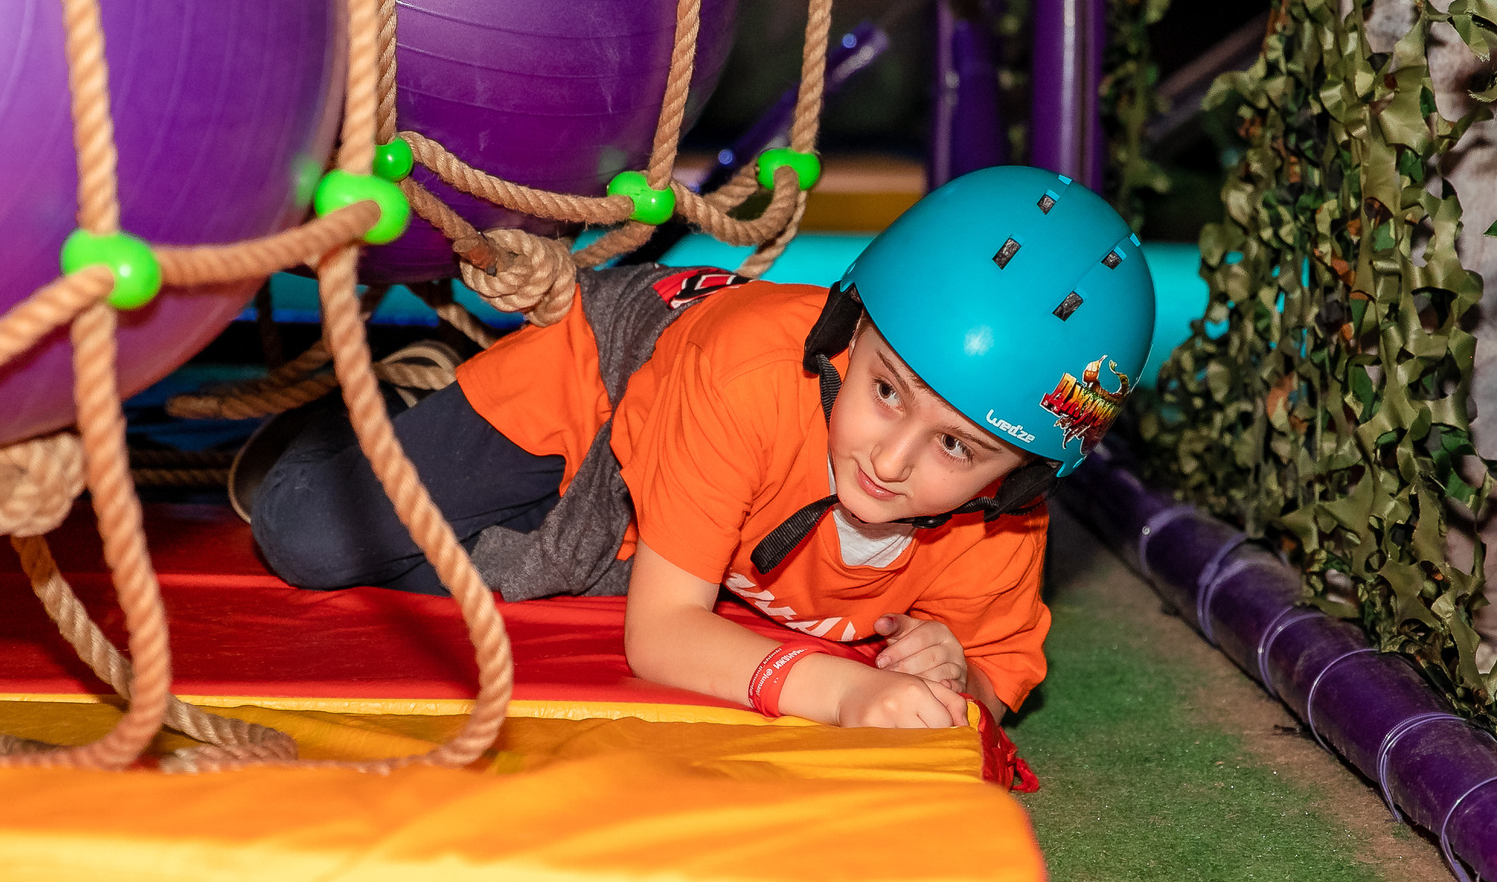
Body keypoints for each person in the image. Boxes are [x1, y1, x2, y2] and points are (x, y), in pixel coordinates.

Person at [242, 165, 1155, 730]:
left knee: (535, 561)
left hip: (677, 496)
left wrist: (955, 676)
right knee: (311, 534)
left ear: (1021, 480)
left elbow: (991, 672)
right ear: (847, 325)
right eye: (886, 392)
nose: (891, 460)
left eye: (959, 448)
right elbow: (662, 635)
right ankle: (402, 394)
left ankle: (465, 445)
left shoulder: (997, 534)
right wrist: (843, 694)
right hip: (606, 380)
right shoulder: (749, 380)